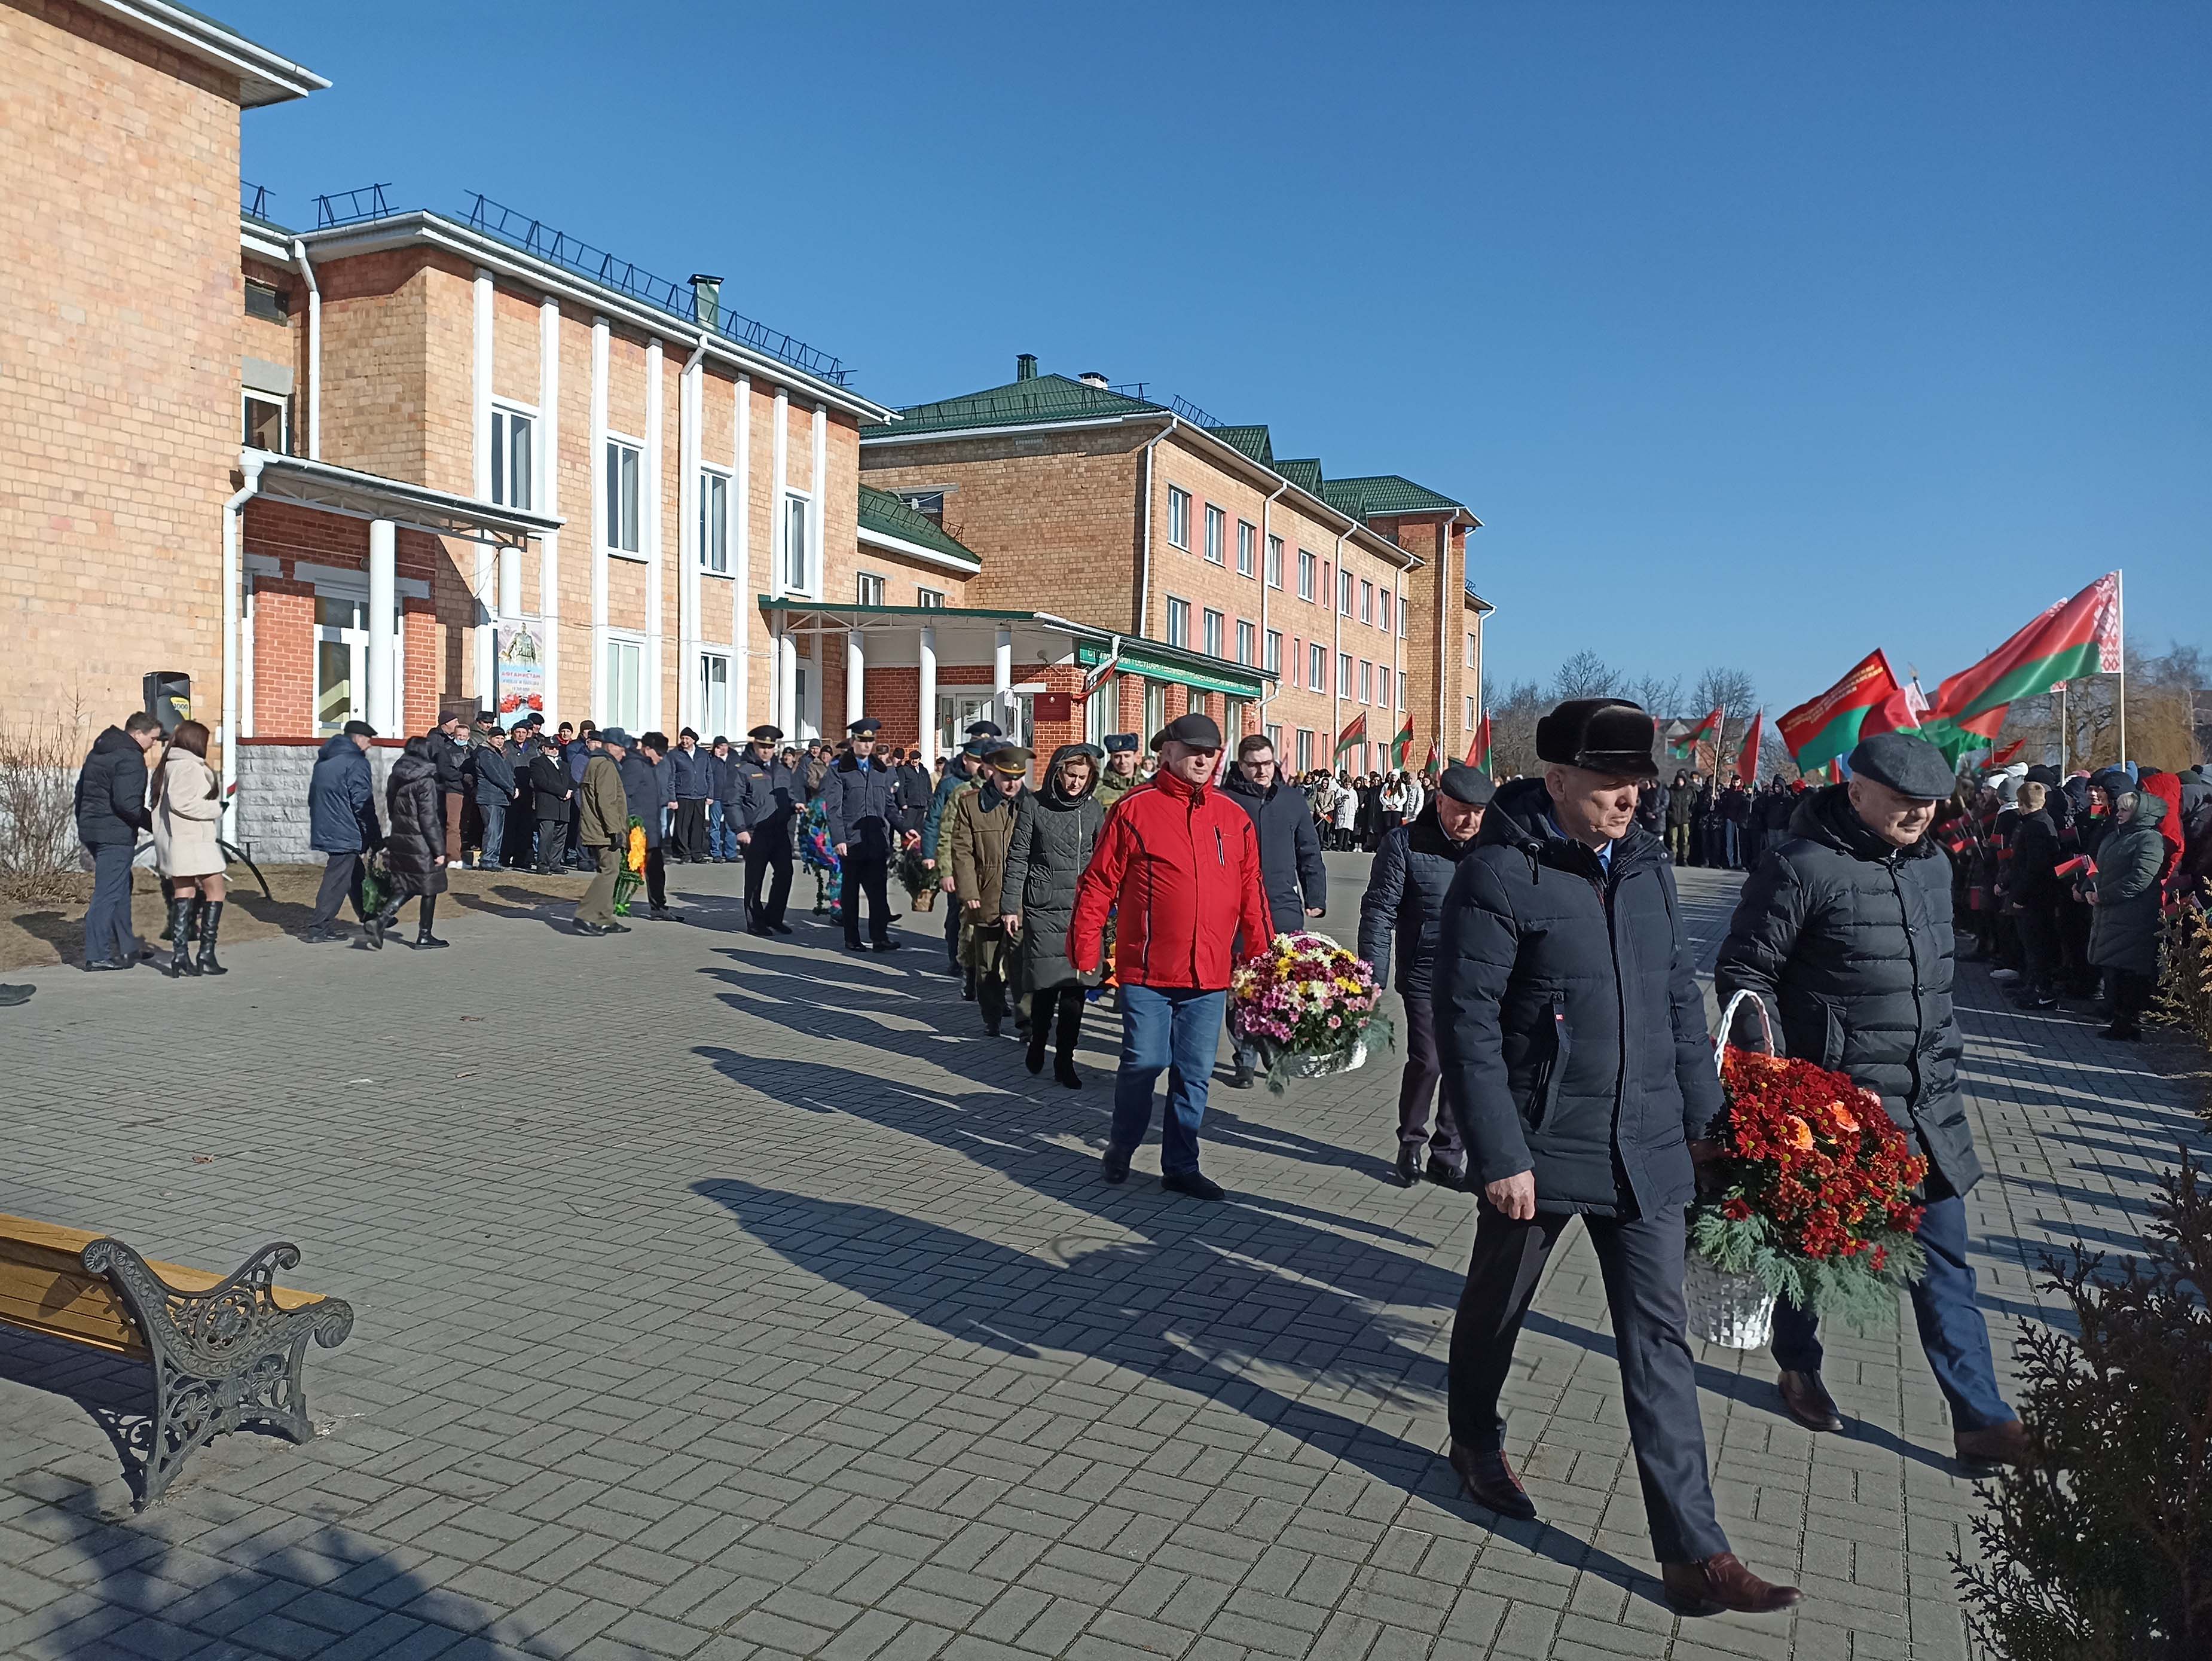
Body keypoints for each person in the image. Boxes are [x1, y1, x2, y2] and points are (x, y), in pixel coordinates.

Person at [1435, 698, 1801, 1616]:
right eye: (1610, 782)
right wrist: (1500, 1152)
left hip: (1644, 1146)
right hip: (1541, 1142)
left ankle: (1695, 1552)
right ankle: (1474, 1436)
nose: (1631, 796)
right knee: (1498, 1305)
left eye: (1639, 780)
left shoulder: (1646, 865)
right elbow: (1467, 1024)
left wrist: (1706, 1122)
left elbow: (1679, 1001)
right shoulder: (1498, 872)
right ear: (1558, 781)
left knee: (1660, 1342)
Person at [1715, 731, 2030, 1474]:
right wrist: (1781, 1082)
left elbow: (1936, 985)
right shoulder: (1799, 866)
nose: (1919, 816)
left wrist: (1944, 1057)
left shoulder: (1931, 867)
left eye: (1928, 804)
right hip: (1835, 1109)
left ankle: (1980, 1419)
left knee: (1945, 1259)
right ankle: (1797, 1365)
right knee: (1810, 1249)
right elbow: (1745, 971)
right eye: (1902, 802)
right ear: (1855, 791)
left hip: (1929, 1103)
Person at [1070, 713, 1271, 1202]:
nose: (1203, 759)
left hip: (1209, 974)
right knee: (1145, 1061)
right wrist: (1085, 947)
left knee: (1195, 1071)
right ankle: (1122, 1144)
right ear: (1169, 752)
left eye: (1211, 752)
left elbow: (1251, 892)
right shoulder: (1135, 809)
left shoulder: (1232, 816)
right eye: (1194, 750)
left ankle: (1181, 1165)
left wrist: (1263, 958)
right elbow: (1099, 882)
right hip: (1148, 971)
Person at [1359, 763, 1492, 1187]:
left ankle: (1448, 1152)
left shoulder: (1492, 847)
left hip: (1479, 976)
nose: (1470, 821)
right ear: (1440, 802)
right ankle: (1410, 1143)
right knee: (1430, 1060)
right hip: (1423, 972)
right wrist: (1372, 974)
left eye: (1478, 812)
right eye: (1461, 810)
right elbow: (1379, 913)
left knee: (1465, 1064)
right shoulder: (1404, 843)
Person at [1222, 733, 1328, 1089]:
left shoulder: (1293, 800)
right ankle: (1244, 1058)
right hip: (1236, 909)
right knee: (1242, 986)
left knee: (1280, 984)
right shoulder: (1226, 801)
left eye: (1267, 764)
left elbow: (1309, 851)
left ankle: (1274, 1049)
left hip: (1283, 906)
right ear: (1241, 766)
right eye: (1253, 765)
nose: (1262, 771)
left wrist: (1317, 895)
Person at [1003, 743, 1107, 1086]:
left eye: (1082, 777)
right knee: (1046, 985)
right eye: (1070, 775)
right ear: (1058, 772)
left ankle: (1065, 1059)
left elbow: (1105, 860)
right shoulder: (1033, 805)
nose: (1075, 783)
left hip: (1084, 909)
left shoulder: (1092, 811)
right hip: (1044, 906)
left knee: (1077, 989)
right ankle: (1037, 1041)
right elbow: (1018, 857)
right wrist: (1010, 907)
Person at [944, 745, 1031, 1032]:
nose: (1012, 784)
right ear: (993, 772)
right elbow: (962, 851)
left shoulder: (1032, 805)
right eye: (1006, 776)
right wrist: (969, 891)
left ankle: (1026, 1022)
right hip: (986, 896)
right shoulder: (972, 805)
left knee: (1022, 964)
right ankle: (992, 1017)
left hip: (1023, 900)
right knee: (987, 967)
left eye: (1018, 777)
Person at [74, 710, 161, 971]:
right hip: (114, 834)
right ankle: (97, 955)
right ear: (137, 734)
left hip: (92, 829)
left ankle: (127, 947)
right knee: (108, 893)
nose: (153, 745)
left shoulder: (101, 751)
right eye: (152, 739)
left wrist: (86, 824)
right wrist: (155, 824)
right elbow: (127, 804)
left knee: (122, 886)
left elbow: (81, 791)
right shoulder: (131, 758)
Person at [2085, 778, 2169, 1041]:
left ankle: (2127, 1022)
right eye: (2119, 809)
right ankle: (2118, 1018)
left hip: (2133, 914)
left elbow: (2141, 878)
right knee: (2113, 968)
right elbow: (2100, 865)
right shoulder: (2117, 836)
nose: (2118, 814)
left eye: (2124, 810)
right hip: (2111, 912)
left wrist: (2105, 896)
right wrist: (2090, 885)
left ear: (2139, 813)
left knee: (2128, 970)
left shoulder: (2150, 839)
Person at [145, 719, 230, 977]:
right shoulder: (187, 767)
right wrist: (216, 809)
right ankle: (205, 954)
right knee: (217, 890)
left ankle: (181, 957)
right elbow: (183, 804)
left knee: (184, 891)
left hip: (178, 842)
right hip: (192, 841)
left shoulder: (168, 765)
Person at [823, 717, 902, 952]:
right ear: (854, 741)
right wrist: (838, 839)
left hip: (876, 840)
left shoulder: (881, 770)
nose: (867, 745)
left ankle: (880, 938)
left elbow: (889, 806)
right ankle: (852, 938)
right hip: (852, 842)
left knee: (878, 892)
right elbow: (834, 808)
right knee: (851, 892)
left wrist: (906, 828)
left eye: (870, 741)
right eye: (862, 741)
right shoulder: (840, 770)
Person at [303, 720, 383, 945]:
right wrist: (374, 834)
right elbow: (362, 802)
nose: (369, 746)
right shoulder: (356, 762)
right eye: (368, 741)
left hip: (328, 826)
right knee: (337, 879)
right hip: (345, 830)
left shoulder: (326, 760)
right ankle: (319, 927)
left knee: (354, 873)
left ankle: (370, 917)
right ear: (357, 739)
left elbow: (313, 797)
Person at [924, 731, 994, 978]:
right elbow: (943, 828)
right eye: (980, 762)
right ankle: (959, 960)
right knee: (958, 916)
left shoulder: (1003, 790)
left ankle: (987, 970)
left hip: (991, 870)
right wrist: (943, 867)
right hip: (963, 866)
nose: (984, 767)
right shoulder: (956, 788)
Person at [381, 735, 451, 949]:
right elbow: (429, 818)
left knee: (408, 885)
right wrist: (439, 850)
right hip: (422, 841)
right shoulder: (426, 780)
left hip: (402, 836)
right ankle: (424, 935)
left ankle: (379, 921)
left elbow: (392, 807)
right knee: (430, 886)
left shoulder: (397, 775)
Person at [731, 725, 797, 935]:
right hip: (755, 833)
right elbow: (732, 802)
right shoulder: (744, 770)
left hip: (780, 832)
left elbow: (791, 794)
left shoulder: (782, 770)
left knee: (786, 873)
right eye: (763, 746)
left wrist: (797, 804)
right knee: (755, 878)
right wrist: (740, 829)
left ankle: (774, 917)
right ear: (755, 745)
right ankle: (755, 921)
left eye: (770, 746)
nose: (766, 750)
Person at [2005, 779, 2063, 1009]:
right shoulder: (2039, 822)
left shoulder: (2036, 826)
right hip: (2037, 896)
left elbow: (2035, 867)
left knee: (2038, 945)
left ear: (2021, 803)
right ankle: (2033, 985)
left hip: (2036, 898)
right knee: (2032, 946)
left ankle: (2043, 991)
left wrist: (2019, 896)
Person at [572, 727, 636, 936]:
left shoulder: (595, 762)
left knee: (607, 871)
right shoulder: (606, 766)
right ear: (611, 746)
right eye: (622, 749)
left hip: (597, 828)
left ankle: (605, 918)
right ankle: (586, 916)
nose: (624, 754)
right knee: (610, 872)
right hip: (604, 831)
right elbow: (607, 802)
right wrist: (616, 831)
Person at [620, 732, 679, 921]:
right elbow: (624, 796)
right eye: (659, 753)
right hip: (639, 828)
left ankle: (658, 907)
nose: (661, 758)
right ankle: (617, 904)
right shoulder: (634, 765)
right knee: (632, 869)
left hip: (651, 828)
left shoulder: (648, 764)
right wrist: (633, 822)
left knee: (655, 869)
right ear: (647, 749)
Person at [468, 724, 518, 871]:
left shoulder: (497, 753)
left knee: (497, 831)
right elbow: (495, 775)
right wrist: (511, 788)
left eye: (502, 738)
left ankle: (493, 860)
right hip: (490, 797)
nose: (500, 741)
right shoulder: (486, 754)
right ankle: (488, 861)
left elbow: (506, 774)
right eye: (497, 738)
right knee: (492, 830)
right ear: (489, 738)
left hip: (500, 797)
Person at [426, 711, 468, 867]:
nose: (457, 724)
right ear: (446, 723)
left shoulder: (453, 741)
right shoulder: (435, 740)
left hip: (451, 786)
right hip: (439, 786)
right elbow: (438, 764)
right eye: (455, 721)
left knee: (451, 823)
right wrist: (459, 775)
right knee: (442, 822)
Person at [529, 736, 573, 874]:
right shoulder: (537, 763)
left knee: (560, 837)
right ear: (544, 749)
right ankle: (543, 865)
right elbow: (542, 781)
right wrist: (563, 791)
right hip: (548, 805)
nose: (554, 750)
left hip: (563, 805)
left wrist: (570, 792)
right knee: (546, 836)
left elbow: (572, 781)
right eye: (551, 748)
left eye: (556, 748)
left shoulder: (564, 765)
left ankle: (555, 863)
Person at [668, 728, 712, 863]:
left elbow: (709, 774)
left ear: (694, 740)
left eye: (687, 738)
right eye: (682, 738)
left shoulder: (703, 754)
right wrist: (672, 798)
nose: (684, 741)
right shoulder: (675, 755)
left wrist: (710, 794)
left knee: (698, 825)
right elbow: (671, 777)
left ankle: (697, 853)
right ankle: (684, 853)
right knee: (682, 826)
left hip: (700, 795)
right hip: (683, 795)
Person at [1094, 733, 1142, 810]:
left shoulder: (1147, 786)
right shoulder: (1098, 790)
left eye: (1127, 756)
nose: (1122, 761)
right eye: (1117, 757)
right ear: (1111, 758)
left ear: (1135, 756)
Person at [1664, 770, 1694, 864]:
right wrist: (1670, 814)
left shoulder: (1689, 792)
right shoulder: (1671, 792)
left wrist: (1690, 814)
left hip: (1685, 819)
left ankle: (1684, 858)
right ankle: (1674, 858)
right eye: (1678, 780)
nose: (1680, 782)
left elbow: (1693, 805)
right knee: (1674, 840)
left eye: (1682, 780)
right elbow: (1667, 805)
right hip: (1674, 819)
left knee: (1686, 840)